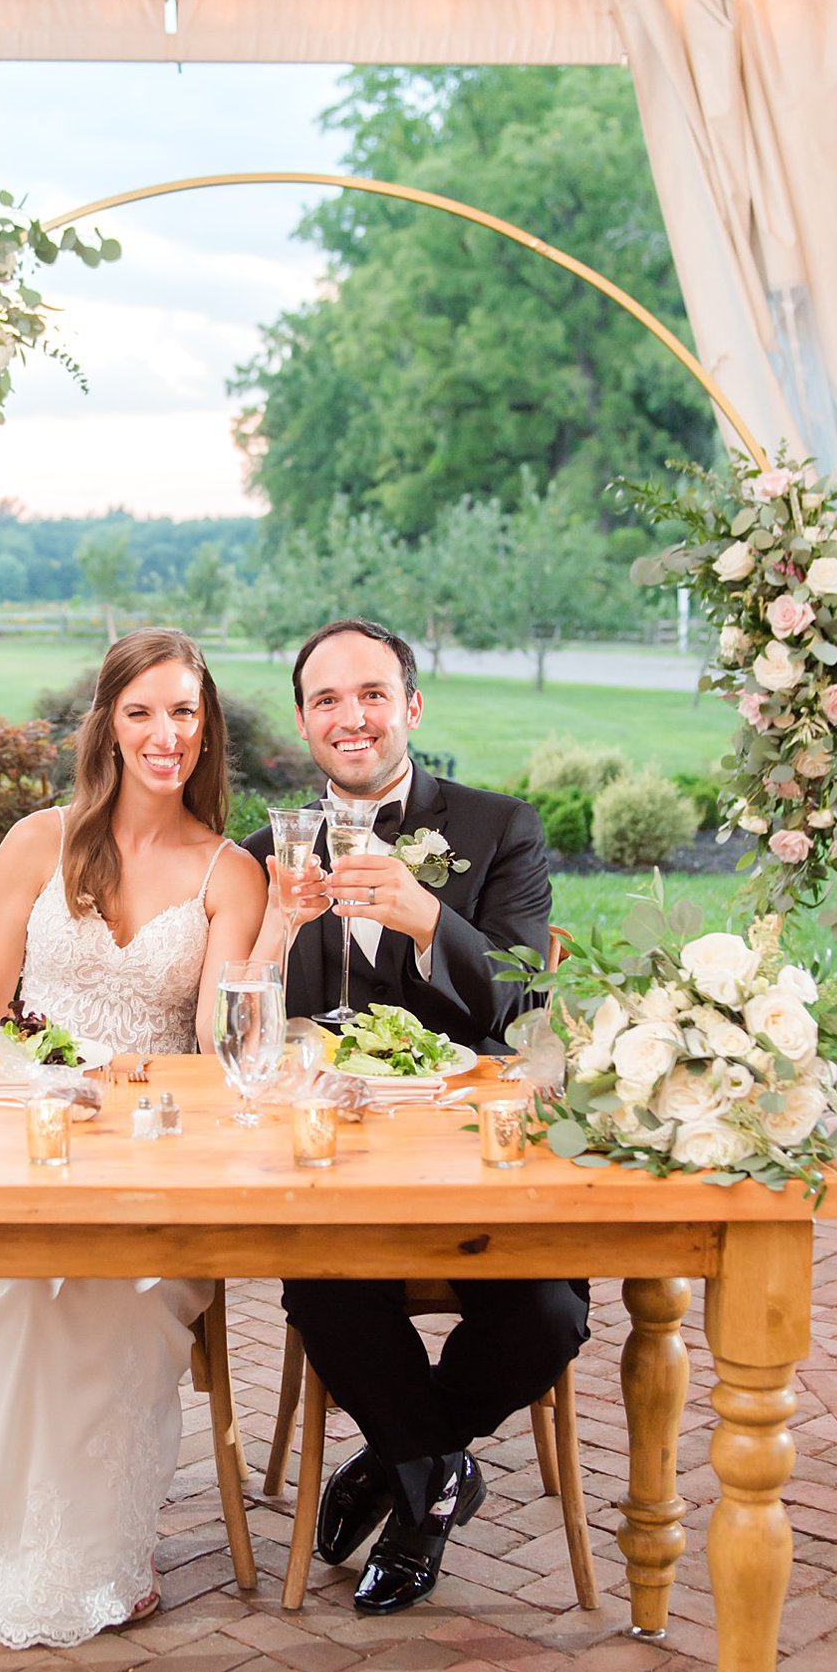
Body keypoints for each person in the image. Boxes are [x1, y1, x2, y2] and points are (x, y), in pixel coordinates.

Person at [0, 629, 267, 1648]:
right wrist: (51, 1074)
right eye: (141, 712)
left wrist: (286, 934)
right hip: (24, 1116)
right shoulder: (39, 843)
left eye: (183, 711)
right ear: (106, 727)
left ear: (206, 725)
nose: (164, 733)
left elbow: (221, 1050)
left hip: (151, 1152)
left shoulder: (230, 873)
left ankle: (87, 1557)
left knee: (89, 1288)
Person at [244, 617, 589, 1614]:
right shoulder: (263, 849)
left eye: (369, 695)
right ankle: (435, 1473)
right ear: (305, 722)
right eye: (325, 700)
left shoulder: (495, 828)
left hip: (475, 1151)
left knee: (549, 1311)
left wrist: (429, 917)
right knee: (322, 1290)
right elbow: (240, 1029)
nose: (349, 717)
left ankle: (395, 1463)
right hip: (333, 1153)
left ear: (409, 708)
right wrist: (275, 924)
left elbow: (524, 1006)